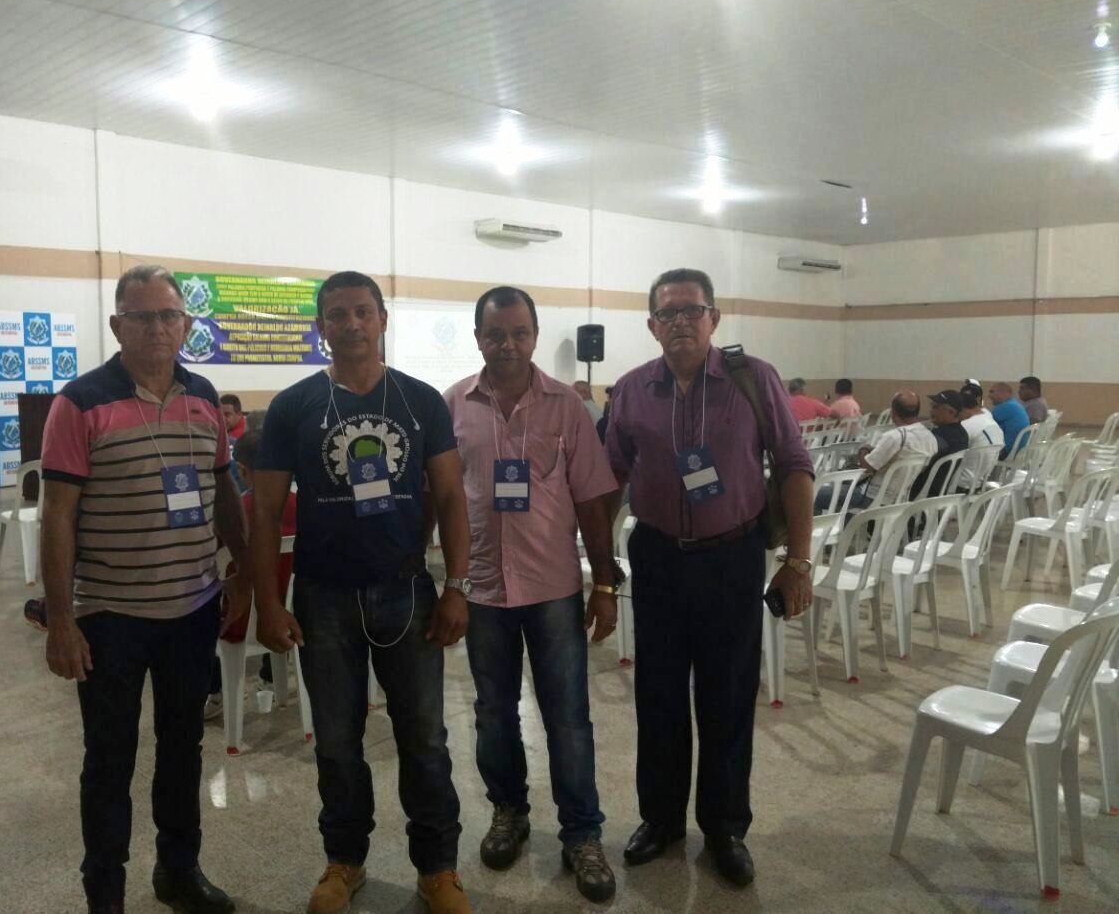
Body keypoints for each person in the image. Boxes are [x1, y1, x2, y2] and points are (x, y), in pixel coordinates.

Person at [249, 271, 473, 914]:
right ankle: (344, 861)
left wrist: (457, 586)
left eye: (361, 312)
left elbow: (453, 496)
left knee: (424, 739)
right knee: (338, 741)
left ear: (382, 320)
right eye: (336, 314)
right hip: (322, 598)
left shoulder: (421, 401)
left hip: (406, 592)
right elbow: (264, 514)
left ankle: (437, 868)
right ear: (321, 327)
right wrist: (269, 601)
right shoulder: (293, 406)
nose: (349, 324)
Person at [41, 265, 242, 914]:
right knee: (109, 760)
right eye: (143, 316)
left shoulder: (205, 394)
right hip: (111, 616)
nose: (158, 328)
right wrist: (63, 619)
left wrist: (241, 568)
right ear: (117, 323)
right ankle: (106, 892)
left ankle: (178, 871)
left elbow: (225, 492)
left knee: (183, 750)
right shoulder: (80, 401)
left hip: (191, 610)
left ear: (186, 323)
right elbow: (59, 516)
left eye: (169, 316)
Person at [605, 268, 814, 887]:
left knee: (726, 697)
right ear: (651, 326)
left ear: (713, 318)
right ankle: (661, 820)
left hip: (732, 557)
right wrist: (588, 563)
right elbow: (606, 476)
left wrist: (797, 560)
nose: (679, 323)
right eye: (666, 314)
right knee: (659, 695)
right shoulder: (633, 390)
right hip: (661, 557)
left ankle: (724, 827)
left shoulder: (754, 379)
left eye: (691, 311)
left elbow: (796, 465)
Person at [443, 286, 619, 902]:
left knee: (567, 718)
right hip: (485, 590)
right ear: (478, 338)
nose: (508, 344)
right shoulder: (453, 405)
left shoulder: (567, 406)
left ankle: (581, 834)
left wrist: (604, 582)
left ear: (535, 336)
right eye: (496, 334)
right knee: (493, 714)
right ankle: (509, 812)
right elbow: (444, 501)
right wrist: (449, 585)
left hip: (551, 589)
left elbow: (593, 499)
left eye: (519, 332)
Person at [204, 429, 294, 721]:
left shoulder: (231, 514)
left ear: (240, 469)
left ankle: (215, 692)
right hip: (295, 613)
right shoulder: (306, 506)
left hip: (240, 619)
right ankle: (273, 679)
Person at [851, 391, 936, 508]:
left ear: (893, 412)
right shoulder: (930, 438)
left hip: (872, 498)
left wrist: (863, 449)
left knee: (819, 495)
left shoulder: (894, 437)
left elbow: (867, 468)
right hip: (901, 499)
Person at [914, 390, 969, 496]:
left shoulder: (939, 437)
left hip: (920, 491)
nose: (931, 411)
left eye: (936, 407)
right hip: (941, 491)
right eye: (931, 406)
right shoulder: (963, 433)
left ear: (951, 412)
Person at [955, 386, 1003, 491]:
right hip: (980, 483)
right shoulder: (991, 422)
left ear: (962, 409)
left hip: (960, 485)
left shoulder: (966, 425)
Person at [989, 382, 1031, 458]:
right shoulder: (1014, 404)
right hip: (1019, 450)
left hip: (1008, 451)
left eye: (992, 392)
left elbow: (983, 423)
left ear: (1002, 393)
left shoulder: (1006, 407)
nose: (989, 396)